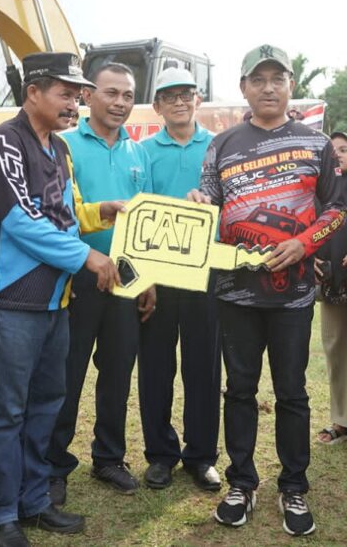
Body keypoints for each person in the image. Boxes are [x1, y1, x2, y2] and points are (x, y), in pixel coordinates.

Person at [189, 44, 347, 537]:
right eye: (258, 79)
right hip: (234, 291)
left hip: (294, 294)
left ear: (291, 86)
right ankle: (242, 481)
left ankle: (293, 486)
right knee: (238, 389)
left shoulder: (315, 142)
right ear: (244, 88)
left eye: (277, 78)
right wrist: (198, 202)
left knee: (293, 392)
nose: (268, 87)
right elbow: (208, 202)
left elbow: (337, 209)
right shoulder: (222, 145)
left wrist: (304, 245)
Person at [0, 52, 121, 547]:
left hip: (56, 304)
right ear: (32, 92)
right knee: (8, 413)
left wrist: (107, 210)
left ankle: (34, 502)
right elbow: (21, 221)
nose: (75, 102)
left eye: (78, 94)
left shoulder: (59, 149)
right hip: (13, 302)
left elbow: (68, 212)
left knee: (45, 407)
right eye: (65, 92)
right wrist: (88, 259)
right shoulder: (4, 142)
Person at [47, 63, 155, 499]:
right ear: (88, 96)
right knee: (66, 375)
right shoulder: (63, 145)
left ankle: (108, 458)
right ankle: (54, 465)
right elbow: (59, 214)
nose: (120, 103)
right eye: (111, 93)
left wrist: (147, 280)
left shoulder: (138, 152)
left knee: (117, 372)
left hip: (127, 279)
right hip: (76, 275)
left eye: (128, 96)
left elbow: (144, 221)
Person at [136, 67, 222, 492]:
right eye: (169, 96)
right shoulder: (145, 151)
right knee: (155, 366)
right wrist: (146, 277)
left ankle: (202, 455)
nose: (179, 102)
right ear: (157, 106)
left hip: (207, 273)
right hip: (160, 275)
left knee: (204, 368)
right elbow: (142, 210)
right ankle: (160, 455)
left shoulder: (218, 147)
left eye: (186, 94)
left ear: (198, 100)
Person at [314, 130, 347, 450]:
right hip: (329, 282)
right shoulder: (321, 191)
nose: (339, 156)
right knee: (336, 347)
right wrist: (311, 256)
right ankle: (342, 421)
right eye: (332, 152)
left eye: (344, 149)